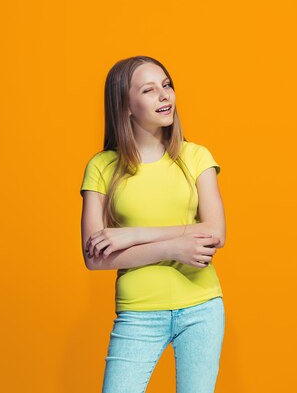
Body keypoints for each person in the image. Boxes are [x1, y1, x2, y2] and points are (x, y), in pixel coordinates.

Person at [79, 55, 226, 393]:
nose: (164, 95)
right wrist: (172, 248)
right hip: (139, 313)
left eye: (167, 85)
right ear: (126, 105)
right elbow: (94, 257)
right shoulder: (102, 168)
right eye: (149, 90)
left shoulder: (196, 157)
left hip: (201, 308)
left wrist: (131, 235)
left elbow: (215, 233)